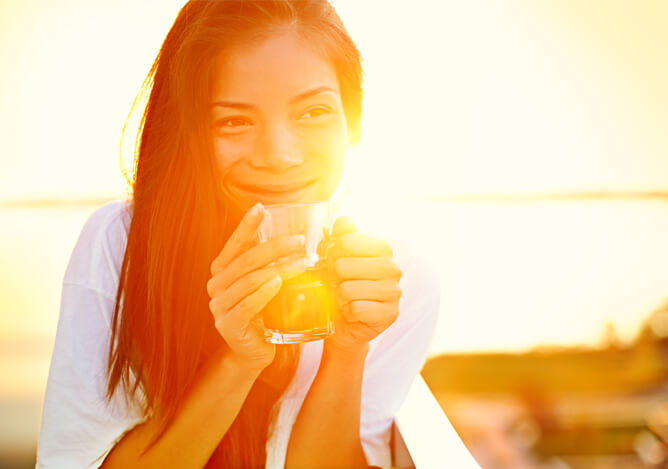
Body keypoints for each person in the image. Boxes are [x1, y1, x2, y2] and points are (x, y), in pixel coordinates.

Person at [36, 1, 439, 467]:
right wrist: (239, 362)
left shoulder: (393, 278)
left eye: (313, 112)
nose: (280, 155)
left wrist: (348, 350)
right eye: (234, 121)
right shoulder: (121, 245)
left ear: (354, 123)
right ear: (190, 134)